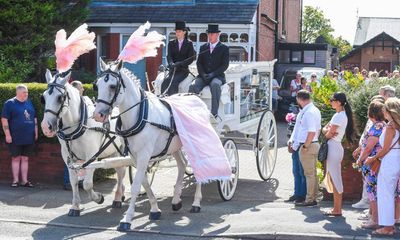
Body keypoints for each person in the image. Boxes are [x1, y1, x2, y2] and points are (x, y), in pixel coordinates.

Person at [322, 92, 355, 216]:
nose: (330, 102)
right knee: (335, 178)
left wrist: (325, 130)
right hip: (335, 147)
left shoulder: (338, 116)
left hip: (334, 147)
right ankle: (336, 209)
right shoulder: (340, 115)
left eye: (332, 100)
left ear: (339, 102)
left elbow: (328, 133)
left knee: (335, 179)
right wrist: (326, 130)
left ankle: (337, 209)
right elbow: (326, 130)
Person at [370, 98, 400, 235]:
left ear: (389, 110)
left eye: (385, 108)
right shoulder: (396, 125)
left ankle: (388, 227)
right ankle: (389, 225)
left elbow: (385, 148)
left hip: (389, 161)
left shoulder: (390, 127)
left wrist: (373, 158)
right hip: (396, 159)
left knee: (385, 193)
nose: (383, 111)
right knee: (389, 193)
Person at [355, 101, 386, 228]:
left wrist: (360, 160)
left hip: (371, 163)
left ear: (370, 112)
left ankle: (375, 220)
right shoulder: (383, 125)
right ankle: (375, 218)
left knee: (372, 191)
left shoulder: (377, 127)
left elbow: (369, 148)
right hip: (377, 163)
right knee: (375, 191)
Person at [189, 24, 229, 119]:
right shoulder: (203, 47)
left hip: (217, 76)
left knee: (215, 85)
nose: (210, 36)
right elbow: (199, 63)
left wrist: (213, 74)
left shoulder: (224, 48)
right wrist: (203, 74)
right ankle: (192, 111)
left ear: (217, 35)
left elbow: (224, 65)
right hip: (204, 76)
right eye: (209, 34)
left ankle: (214, 113)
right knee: (192, 86)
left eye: (212, 34)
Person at [1, 84, 38, 187]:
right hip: (15, 136)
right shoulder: (10, 103)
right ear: (18, 93)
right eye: (24, 92)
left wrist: (36, 131)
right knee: (16, 158)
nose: (26, 94)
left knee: (25, 158)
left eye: (27, 92)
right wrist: (7, 135)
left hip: (29, 136)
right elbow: (4, 120)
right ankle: (15, 180)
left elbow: (34, 118)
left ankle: (24, 181)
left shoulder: (29, 102)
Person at [292, 90, 321, 207]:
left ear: (299, 99)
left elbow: (311, 131)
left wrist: (305, 146)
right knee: (312, 174)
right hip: (312, 143)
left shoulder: (309, 112)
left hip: (308, 144)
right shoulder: (313, 110)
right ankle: (313, 197)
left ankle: (310, 199)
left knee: (309, 174)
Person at [161, 21, 196, 96]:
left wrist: (180, 63)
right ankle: (163, 98)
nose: (177, 33)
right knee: (165, 82)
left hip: (183, 70)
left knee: (174, 82)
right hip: (173, 69)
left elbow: (190, 58)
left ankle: (174, 100)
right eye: (176, 31)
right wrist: (171, 63)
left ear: (184, 32)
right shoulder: (171, 43)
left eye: (179, 31)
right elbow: (169, 56)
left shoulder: (189, 44)